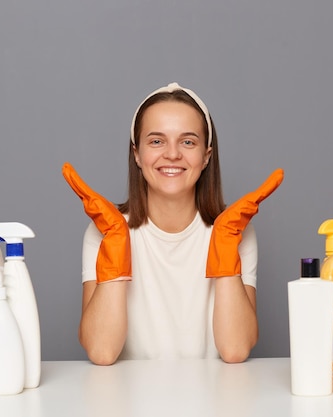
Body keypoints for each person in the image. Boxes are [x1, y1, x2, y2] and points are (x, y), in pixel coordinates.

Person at [62, 82, 283, 365]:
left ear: (206, 156)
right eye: (156, 141)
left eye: (188, 141)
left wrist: (225, 244)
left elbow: (235, 349)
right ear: (137, 155)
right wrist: (117, 242)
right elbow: (101, 351)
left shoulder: (236, 231)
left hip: (213, 400)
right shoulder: (105, 231)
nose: (172, 154)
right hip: (130, 401)